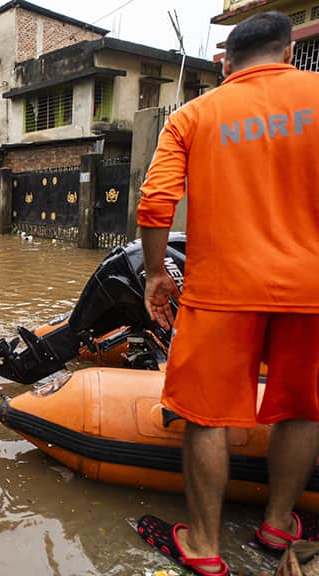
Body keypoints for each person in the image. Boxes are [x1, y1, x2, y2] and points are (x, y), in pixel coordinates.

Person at [134, 12, 319, 575]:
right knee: (302, 408)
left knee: (207, 417)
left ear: (224, 62)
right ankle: (277, 522)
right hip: (312, 288)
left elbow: (155, 202)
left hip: (221, 290)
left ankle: (205, 546)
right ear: (287, 52)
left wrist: (156, 272)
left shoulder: (194, 114)